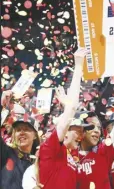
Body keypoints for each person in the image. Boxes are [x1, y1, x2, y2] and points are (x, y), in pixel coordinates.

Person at [74, 69, 114, 189]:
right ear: (80, 130)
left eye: (98, 127)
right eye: (92, 126)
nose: (97, 130)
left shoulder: (104, 152)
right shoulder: (69, 157)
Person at [39, 48, 88, 189]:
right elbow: (71, 110)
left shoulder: (70, 155)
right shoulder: (49, 147)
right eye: (74, 129)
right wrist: (78, 66)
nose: (80, 135)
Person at [1, 107, 40, 189]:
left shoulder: (37, 164)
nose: (21, 132)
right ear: (14, 135)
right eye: (18, 130)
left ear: (35, 136)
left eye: (26, 129)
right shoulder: (5, 152)